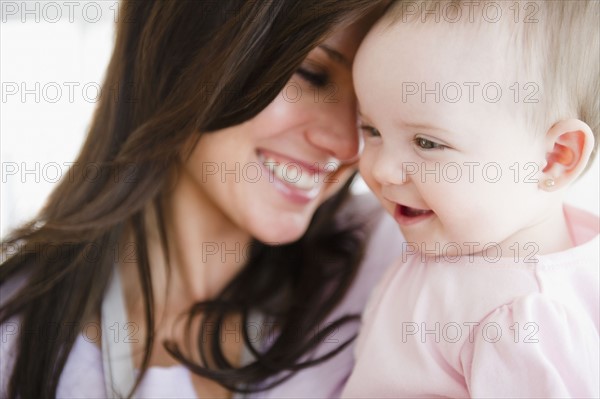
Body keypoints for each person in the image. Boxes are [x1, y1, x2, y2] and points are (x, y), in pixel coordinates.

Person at [0, 1, 404, 398]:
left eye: (369, 105)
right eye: (312, 74)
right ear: (187, 46)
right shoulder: (15, 337)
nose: (349, 145)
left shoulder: (400, 265)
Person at [342, 0, 599, 397]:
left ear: (554, 158)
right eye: (371, 130)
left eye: (427, 142)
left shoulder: (519, 318)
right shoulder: (459, 242)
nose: (381, 170)